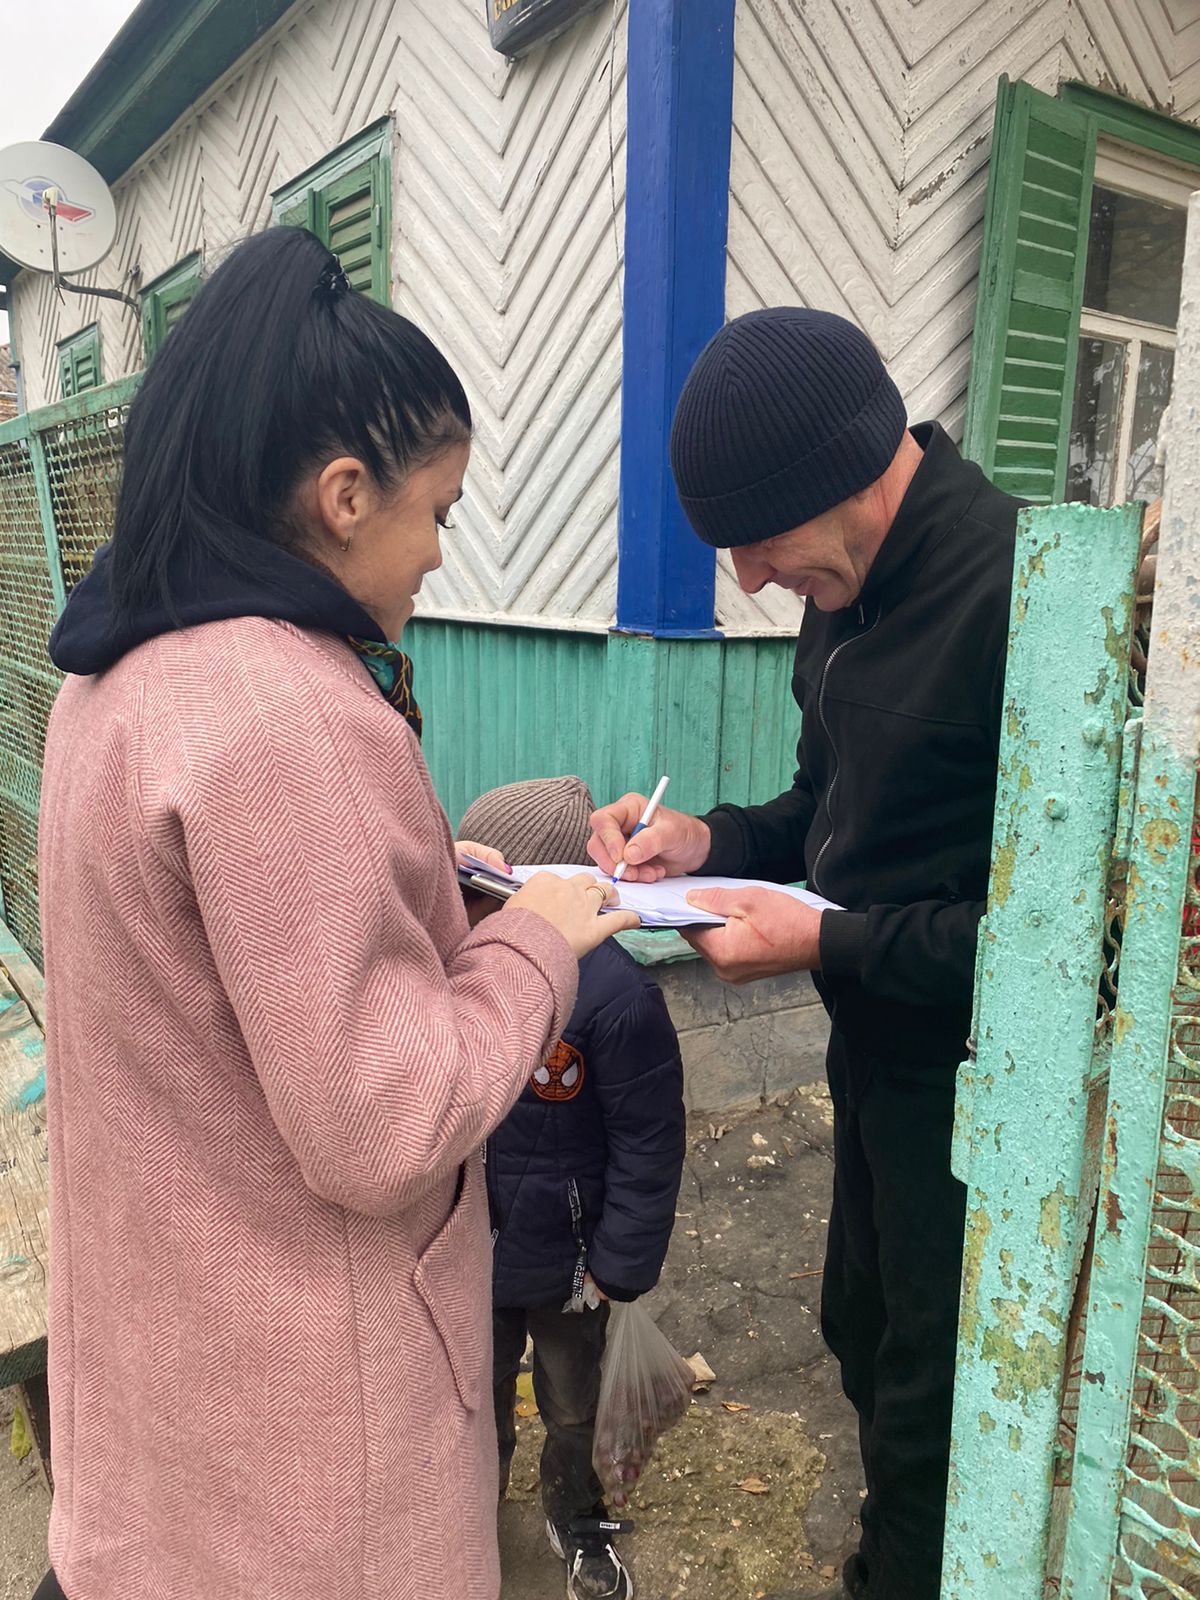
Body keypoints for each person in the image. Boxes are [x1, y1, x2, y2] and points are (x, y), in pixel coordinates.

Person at [34, 228, 637, 1600]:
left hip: (174, 1400)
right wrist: (537, 940)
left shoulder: (111, 680)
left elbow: (222, 970)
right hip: (311, 1463)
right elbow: (384, 1116)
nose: (438, 554)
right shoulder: (290, 707)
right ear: (346, 496)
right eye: (439, 510)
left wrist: (429, 877)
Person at [587, 308, 1023, 1600]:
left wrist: (827, 936)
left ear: (841, 472)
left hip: (976, 1083)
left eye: (757, 543)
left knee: (936, 1395)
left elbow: (1065, 950)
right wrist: (706, 840)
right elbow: (825, 813)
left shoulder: (1015, 592)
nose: (751, 580)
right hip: (872, 1051)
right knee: (861, 1326)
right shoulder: (846, 589)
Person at [456, 775, 686, 1600]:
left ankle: (578, 1518)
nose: (464, 913)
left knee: (574, 1407)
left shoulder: (616, 1000)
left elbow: (648, 1143)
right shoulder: (458, 966)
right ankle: (466, 1524)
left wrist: (618, 1267)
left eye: (484, 896)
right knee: (470, 1405)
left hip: (571, 1269)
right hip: (469, 1258)